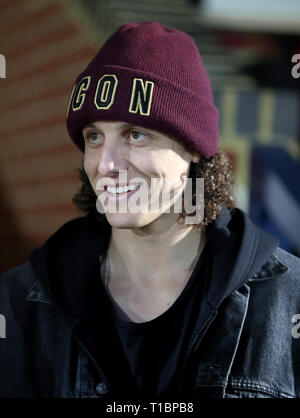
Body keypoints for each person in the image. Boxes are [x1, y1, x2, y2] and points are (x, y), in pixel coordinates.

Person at [0, 21, 300, 400]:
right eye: (94, 136)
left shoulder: (286, 302)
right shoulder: (21, 303)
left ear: (193, 149)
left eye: (135, 134)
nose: (106, 164)